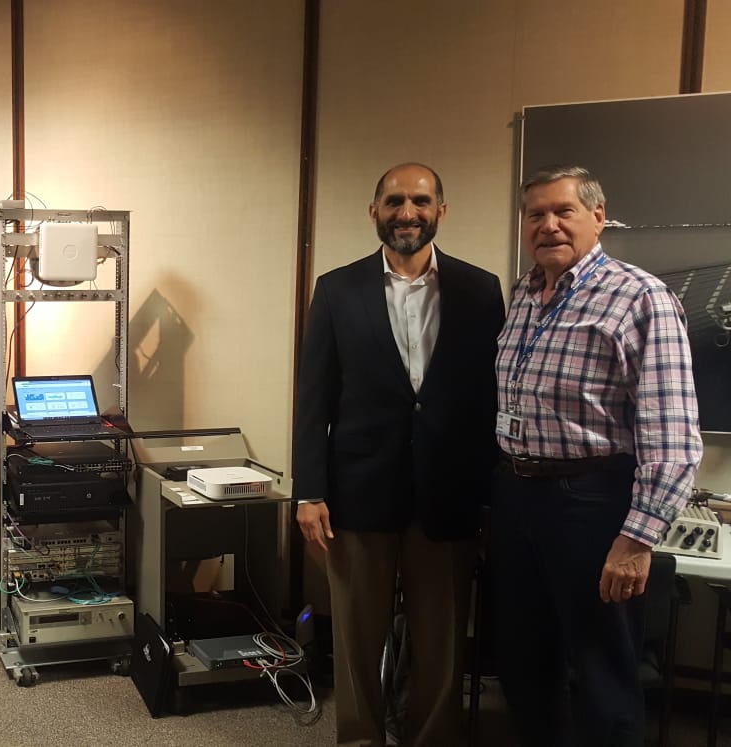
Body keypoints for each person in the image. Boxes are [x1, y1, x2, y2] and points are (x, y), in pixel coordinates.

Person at [490, 165, 702, 747]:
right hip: (516, 496)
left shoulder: (641, 297)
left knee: (601, 671)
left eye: (564, 211)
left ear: (599, 217)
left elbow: (672, 433)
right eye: (536, 214)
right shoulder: (524, 293)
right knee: (524, 663)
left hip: (590, 502)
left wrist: (636, 540)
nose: (549, 225)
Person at [294, 163, 505, 746]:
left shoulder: (480, 289)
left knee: (441, 640)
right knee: (357, 638)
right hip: (357, 493)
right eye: (394, 202)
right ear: (374, 212)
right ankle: (360, 738)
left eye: (420, 201)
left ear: (441, 211)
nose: (406, 213)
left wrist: (490, 497)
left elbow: (490, 399)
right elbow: (314, 399)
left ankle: (431, 738)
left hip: (449, 494)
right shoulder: (337, 290)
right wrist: (309, 490)